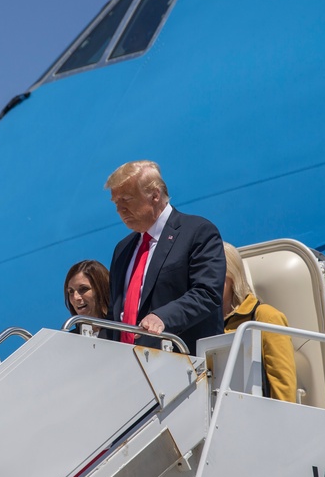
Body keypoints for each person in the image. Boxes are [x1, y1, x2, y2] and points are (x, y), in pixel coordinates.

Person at [105, 160, 225, 354]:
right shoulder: (123, 249)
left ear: (154, 195)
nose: (120, 210)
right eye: (116, 203)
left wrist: (162, 317)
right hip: (126, 366)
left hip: (181, 362)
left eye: (126, 199)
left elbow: (207, 293)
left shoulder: (198, 232)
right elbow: (115, 313)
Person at [222, 242, 297, 402]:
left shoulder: (265, 316)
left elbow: (283, 385)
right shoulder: (203, 324)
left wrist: (281, 423)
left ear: (232, 276)